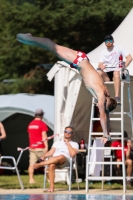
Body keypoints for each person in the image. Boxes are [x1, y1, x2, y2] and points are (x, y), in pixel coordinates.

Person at [16, 33, 117, 144]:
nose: (99, 105)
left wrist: (108, 134)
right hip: (79, 60)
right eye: (102, 105)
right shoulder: (101, 95)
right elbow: (102, 115)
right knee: (52, 46)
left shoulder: (104, 94)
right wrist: (105, 134)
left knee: (52, 48)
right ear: (106, 101)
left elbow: (106, 115)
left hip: (81, 62)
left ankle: (30, 40)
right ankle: (28, 37)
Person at [33, 126, 79, 192]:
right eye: (66, 131)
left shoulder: (74, 144)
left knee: (61, 156)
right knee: (51, 165)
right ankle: (52, 186)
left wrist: (68, 143)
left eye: (70, 132)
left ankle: (41, 164)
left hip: (65, 161)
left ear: (72, 134)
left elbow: (73, 154)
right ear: (64, 132)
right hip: (54, 160)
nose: (67, 133)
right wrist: (43, 157)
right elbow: (50, 152)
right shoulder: (57, 143)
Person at [97, 34, 132, 104]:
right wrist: (101, 66)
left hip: (117, 72)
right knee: (98, 73)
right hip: (107, 74)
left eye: (110, 40)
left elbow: (129, 58)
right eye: (106, 41)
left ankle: (117, 97)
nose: (108, 42)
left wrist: (124, 66)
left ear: (113, 41)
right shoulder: (103, 52)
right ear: (104, 43)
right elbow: (100, 64)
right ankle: (100, 96)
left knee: (116, 73)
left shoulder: (119, 48)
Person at [27, 109, 48, 184]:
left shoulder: (31, 124)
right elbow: (44, 136)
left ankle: (31, 180)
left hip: (32, 147)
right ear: (42, 115)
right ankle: (49, 179)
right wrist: (46, 147)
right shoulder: (42, 124)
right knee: (47, 163)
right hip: (40, 147)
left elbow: (29, 136)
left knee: (31, 164)